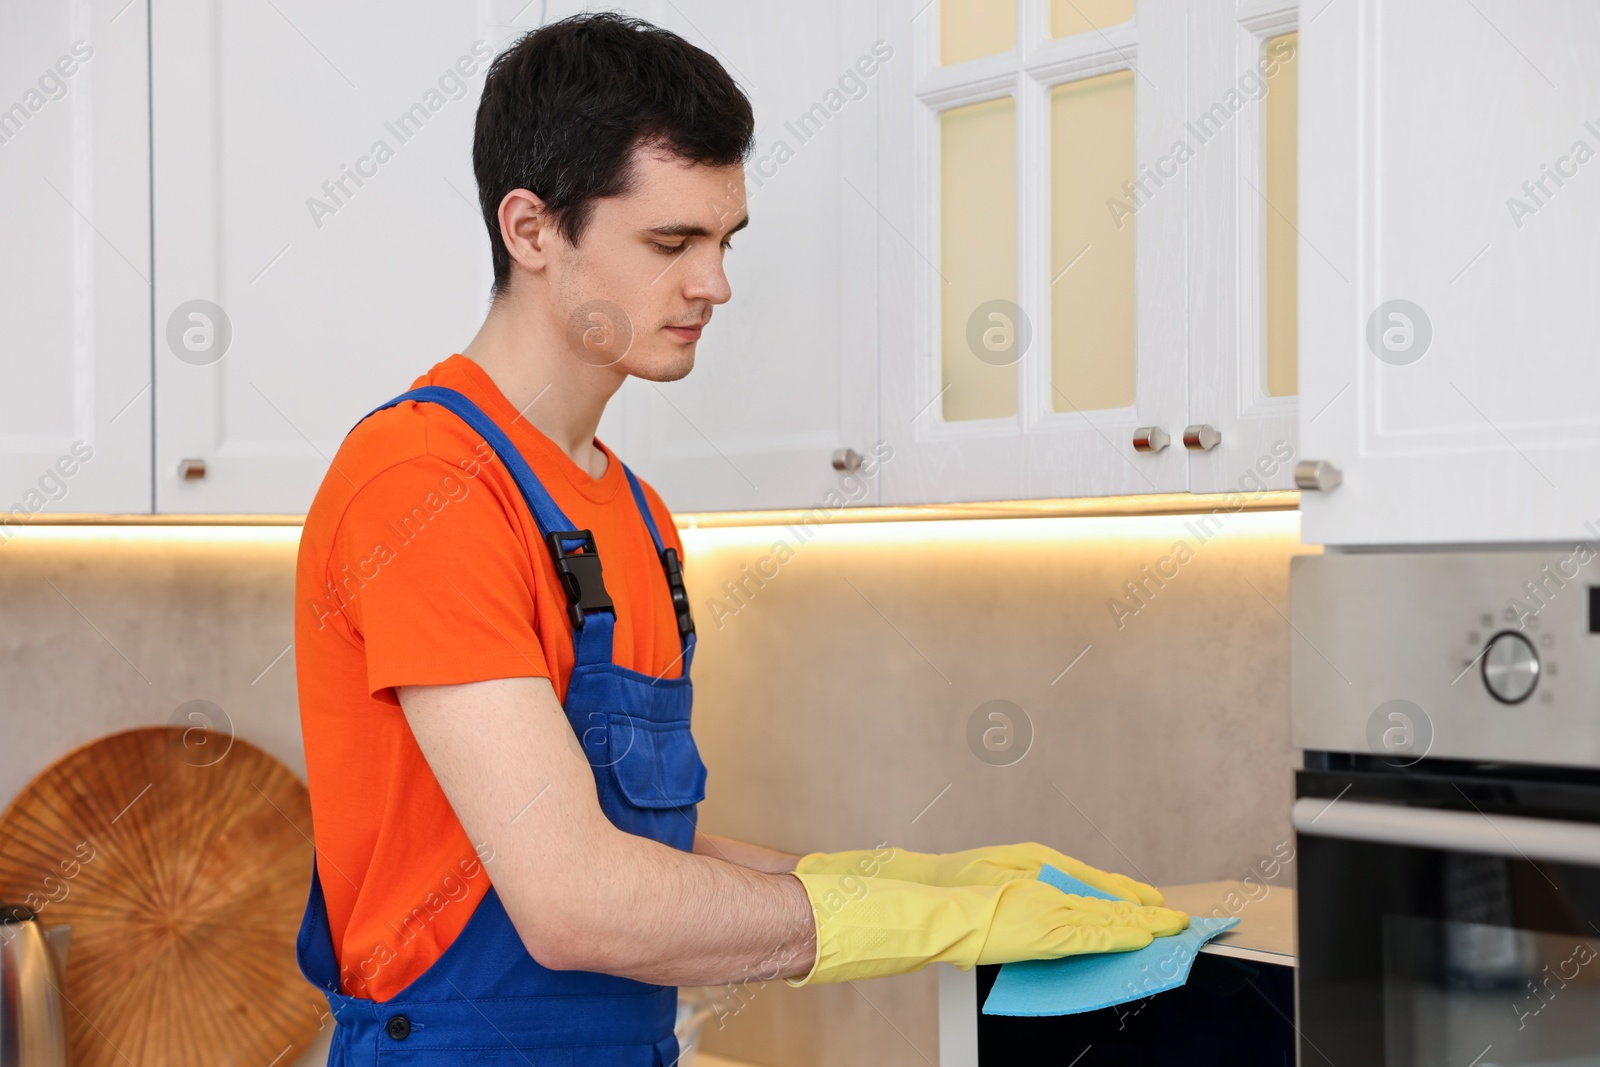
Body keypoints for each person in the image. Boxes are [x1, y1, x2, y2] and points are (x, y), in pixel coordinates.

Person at [292, 12, 1187, 1064]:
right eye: (671, 243)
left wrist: (907, 881)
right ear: (530, 230)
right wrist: (900, 925)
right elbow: (575, 900)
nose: (713, 283)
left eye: (723, 241)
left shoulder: (633, 514)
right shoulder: (425, 488)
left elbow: (638, 854)